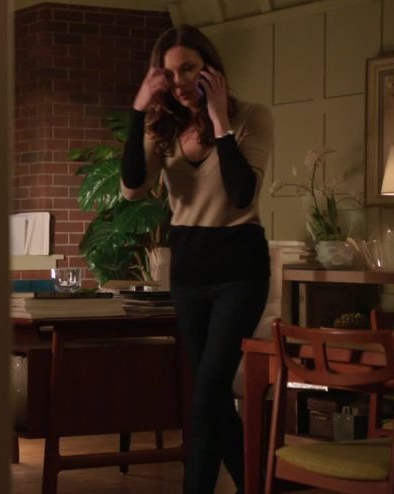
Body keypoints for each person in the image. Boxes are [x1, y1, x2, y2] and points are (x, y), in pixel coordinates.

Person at [120, 24, 273, 494]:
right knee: (213, 401)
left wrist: (220, 120)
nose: (180, 81)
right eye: (169, 73)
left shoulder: (252, 116)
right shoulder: (162, 127)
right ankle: (262, 485)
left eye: (188, 68)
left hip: (239, 271)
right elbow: (132, 188)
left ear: (210, 67)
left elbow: (242, 193)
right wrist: (138, 112)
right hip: (189, 272)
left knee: (206, 397)